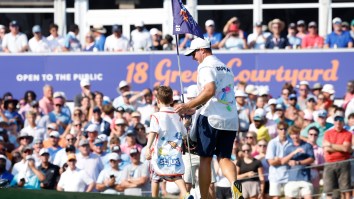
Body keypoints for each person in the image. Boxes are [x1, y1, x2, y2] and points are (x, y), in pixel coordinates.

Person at [175, 37, 241, 199]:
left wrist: (188, 105)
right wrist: (195, 106)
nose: (193, 58)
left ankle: (204, 197)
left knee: (205, 159)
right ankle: (235, 185)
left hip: (212, 118)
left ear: (202, 50)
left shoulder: (205, 66)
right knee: (224, 158)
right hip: (231, 119)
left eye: (194, 53)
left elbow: (209, 90)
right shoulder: (226, 67)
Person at [144, 86, 192, 199]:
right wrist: (185, 125)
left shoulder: (156, 116)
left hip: (160, 153)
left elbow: (153, 132)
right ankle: (185, 193)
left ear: (158, 100)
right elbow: (184, 134)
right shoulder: (177, 116)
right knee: (176, 176)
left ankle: (154, 197)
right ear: (171, 100)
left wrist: (148, 148)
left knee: (156, 177)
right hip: (174, 153)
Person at [322, 112, 352, 199]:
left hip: (343, 162)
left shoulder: (348, 133)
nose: (338, 122)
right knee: (329, 189)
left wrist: (331, 145)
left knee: (345, 189)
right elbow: (326, 149)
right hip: (329, 163)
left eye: (340, 120)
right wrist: (340, 147)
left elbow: (346, 149)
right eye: (336, 120)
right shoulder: (327, 133)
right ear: (334, 122)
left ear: (343, 122)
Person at [281, 125, 314, 199]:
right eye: (292, 134)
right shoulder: (288, 148)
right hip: (292, 179)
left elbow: (311, 159)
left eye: (296, 133)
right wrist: (294, 152)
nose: (295, 136)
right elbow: (283, 161)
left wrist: (298, 163)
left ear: (299, 133)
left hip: (305, 178)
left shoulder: (307, 146)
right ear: (290, 135)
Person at [265, 121, 291, 199]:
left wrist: (278, 159)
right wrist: (286, 160)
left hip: (289, 175)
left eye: (285, 129)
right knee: (276, 197)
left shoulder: (291, 142)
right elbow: (271, 162)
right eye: (281, 129)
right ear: (277, 130)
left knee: (290, 197)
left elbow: (293, 160)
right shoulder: (272, 143)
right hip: (275, 176)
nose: (283, 131)